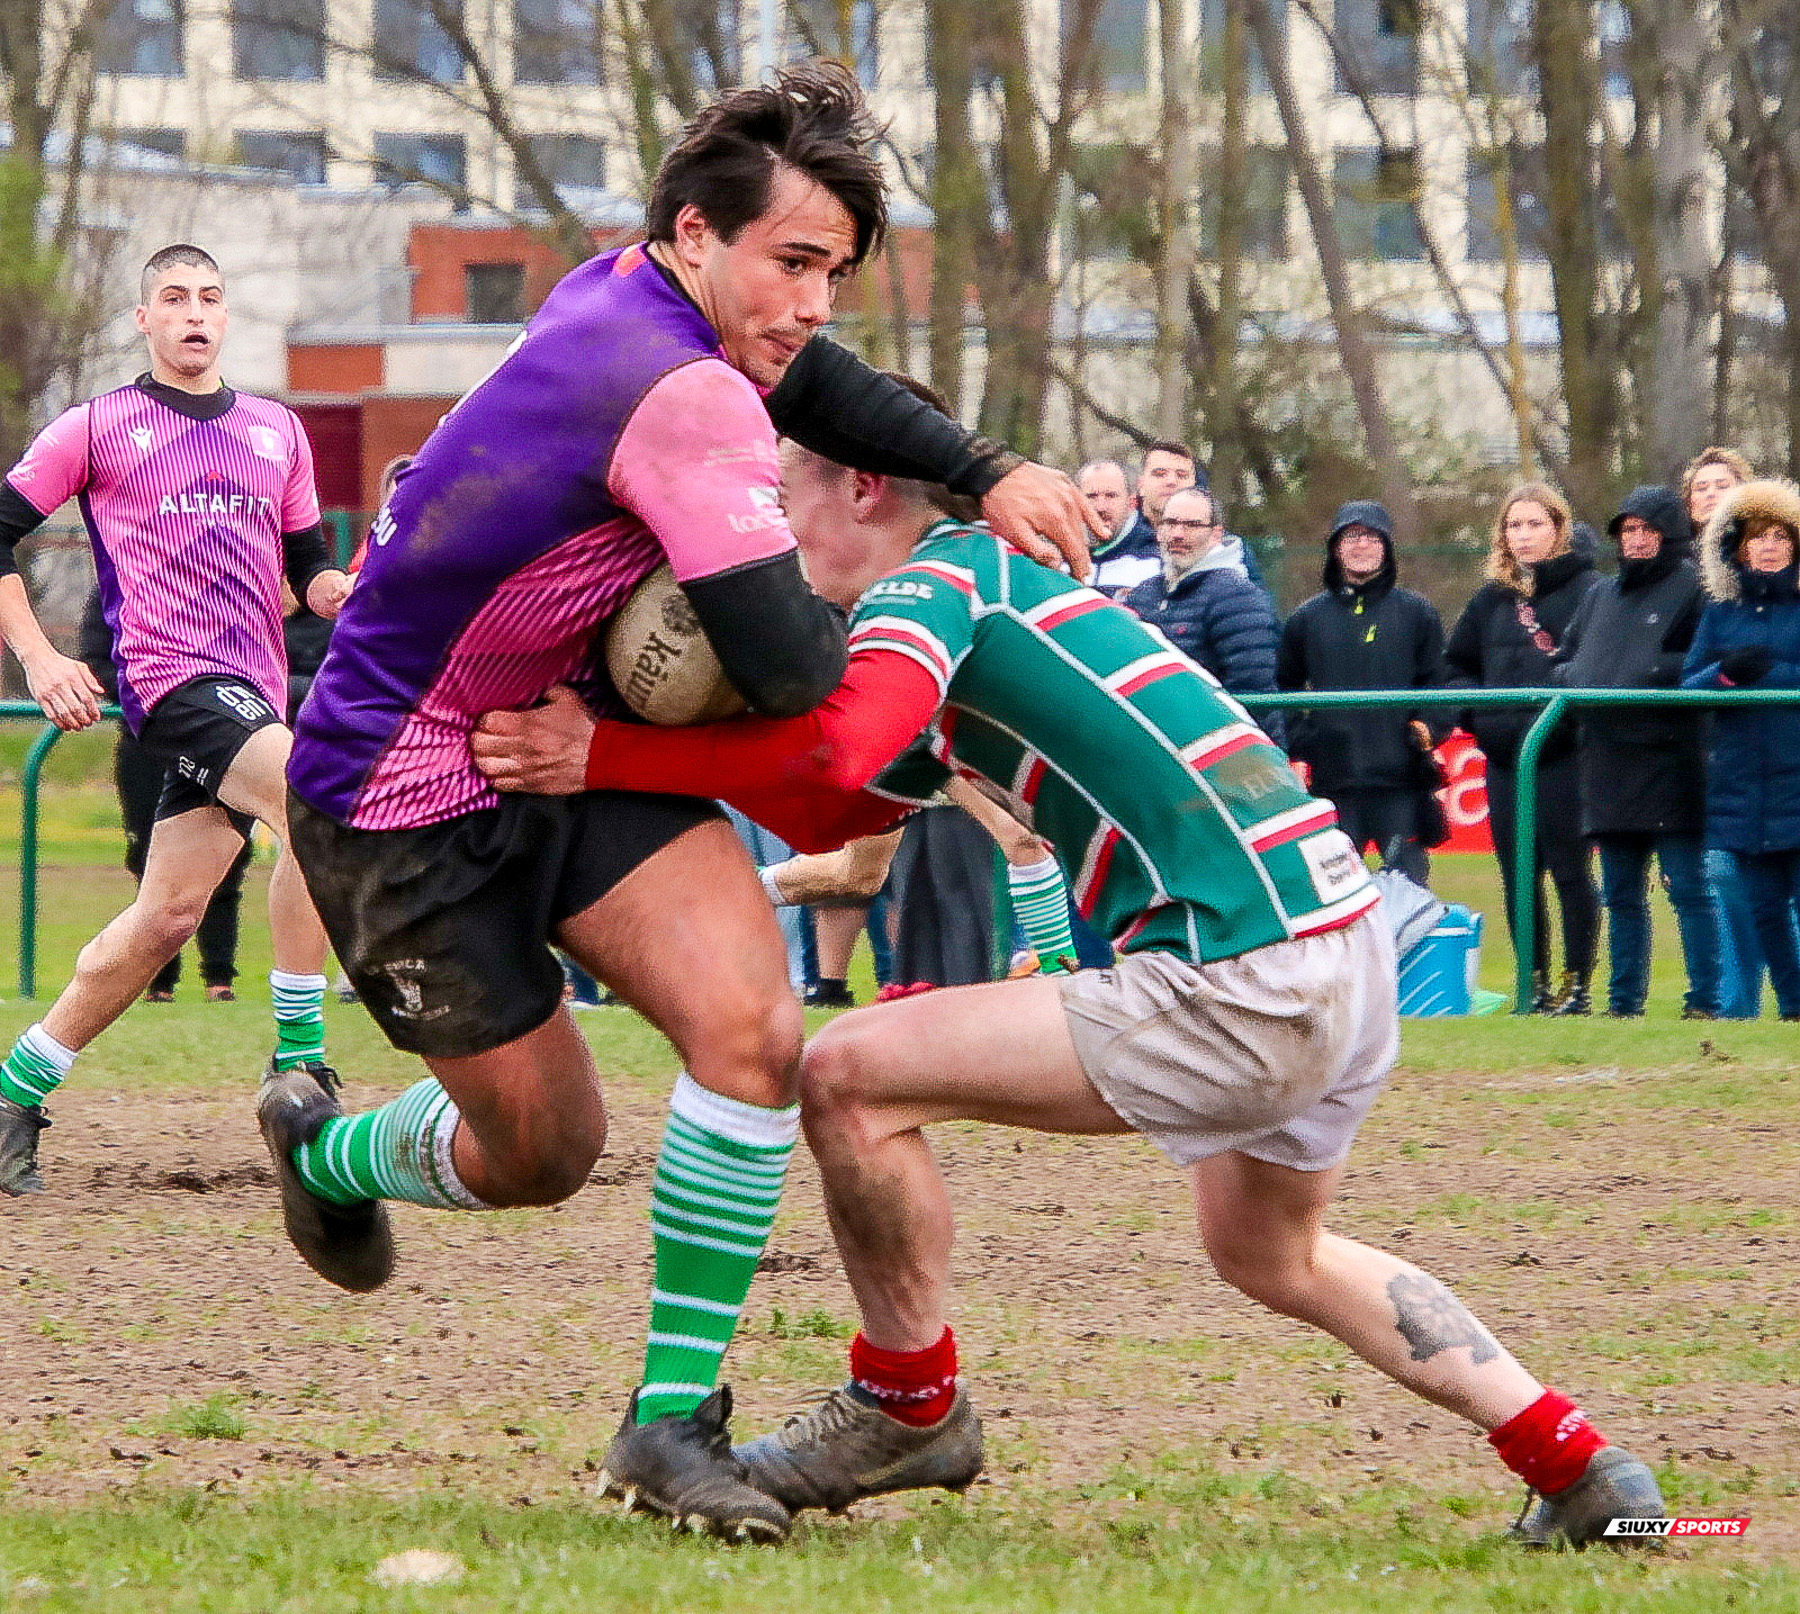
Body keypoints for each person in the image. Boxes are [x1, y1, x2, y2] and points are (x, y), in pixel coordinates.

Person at [470, 397, 1666, 1550]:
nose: (767, 534)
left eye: (781, 497)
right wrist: (651, 747)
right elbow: (835, 801)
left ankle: (906, 1405)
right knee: (1271, 1252)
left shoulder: (937, 582)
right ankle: (1582, 1466)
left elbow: (837, 752)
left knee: (846, 1074)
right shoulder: (978, 597)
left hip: (1244, 969)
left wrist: (601, 753)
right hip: (1338, 947)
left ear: (864, 486)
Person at [269, 64, 1098, 1545]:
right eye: (794, 263)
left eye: (835, 273)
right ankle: (326, 1148)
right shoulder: (681, 391)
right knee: (544, 1154)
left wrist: (982, 468)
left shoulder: (635, 294)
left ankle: (668, 1422)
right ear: (696, 234)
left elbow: (815, 382)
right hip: (397, 790)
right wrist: (927, 611)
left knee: (755, 1031)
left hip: (571, 735)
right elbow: (788, 672)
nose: (814, 304)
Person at [0, 243, 349, 1196]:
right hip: (172, 682)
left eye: (209, 297)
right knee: (315, 797)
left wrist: (334, 588)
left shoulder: (277, 429)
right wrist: (40, 657)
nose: (194, 312)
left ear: (225, 317)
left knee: (167, 919)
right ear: (144, 319)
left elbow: (308, 565)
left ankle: (14, 1093)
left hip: (253, 692)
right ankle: (300, 1061)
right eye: (174, 297)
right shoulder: (98, 425)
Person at [1555, 487, 1716, 1018]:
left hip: (1671, 762)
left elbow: (1703, 660)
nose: (1637, 539)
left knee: (1688, 890)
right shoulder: (1600, 596)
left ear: (1671, 534)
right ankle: (1623, 1003)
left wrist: (1645, 674)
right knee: (1620, 894)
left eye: (1648, 529)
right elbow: (1566, 660)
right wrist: (1580, 679)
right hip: (1605, 762)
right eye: (1628, 530)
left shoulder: (1695, 587)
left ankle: (1705, 1000)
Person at [1445, 485, 1600, 1013]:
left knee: (1572, 872)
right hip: (1504, 759)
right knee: (1518, 875)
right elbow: (1455, 667)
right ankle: (1531, 982)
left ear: (1559, 528)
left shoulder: (1589, 591)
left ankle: (1577, 983)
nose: (1524, 535)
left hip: (1565, 756)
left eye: (1535, 524)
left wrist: (1565, 725)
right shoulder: (1490, 600)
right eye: (1514, 525)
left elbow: (1594, 667)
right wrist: (1478, 717)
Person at [77, 586, 253, 1003]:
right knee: (148, 857)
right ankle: (158, 980)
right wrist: (161, 697)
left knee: (224, 854)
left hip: (219, 739)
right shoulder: (116, 587)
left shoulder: (225, 586)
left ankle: (219, 976)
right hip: (147, 741)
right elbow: (97, 660)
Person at [1277, 501, 1448, 885]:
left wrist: (1428, 728)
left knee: (1408, 896)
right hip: (1333, 785)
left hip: (1401, 784)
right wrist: (1306, 740)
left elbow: (1441, 683)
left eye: (1372, 536)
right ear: (1336, 547)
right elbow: (1281, 688)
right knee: (1335, 898)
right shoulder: (1306, 619)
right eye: (1352, 535)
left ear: (1386, 547)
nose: (1362, 544)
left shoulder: (1417, 613)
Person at [1681, 478, 1800, 1020]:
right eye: (1757, 537)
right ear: (1738, 547)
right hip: (1741, 784)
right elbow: (1690, 687)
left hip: (1794, 775)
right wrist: (1726, 675)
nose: (1769, 546)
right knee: (1764, 910)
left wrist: (1769, 674)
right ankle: (1792, 1007)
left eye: (1780, 536)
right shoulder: (1720, 613)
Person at [1123, 487, 1283, 742]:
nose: (1178, 534)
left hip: (1218, 748)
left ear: (1216, 535)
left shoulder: (1238, 595)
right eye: (1170, 523)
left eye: (1192, 525)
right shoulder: (1142, 595)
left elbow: (1252, 691)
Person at [1076, 459, 1160, 598]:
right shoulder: (1057, 559)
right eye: (1091, 496)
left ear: (1131, 503)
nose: (1100, 507)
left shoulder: (1156, 560)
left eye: (1111, 496)